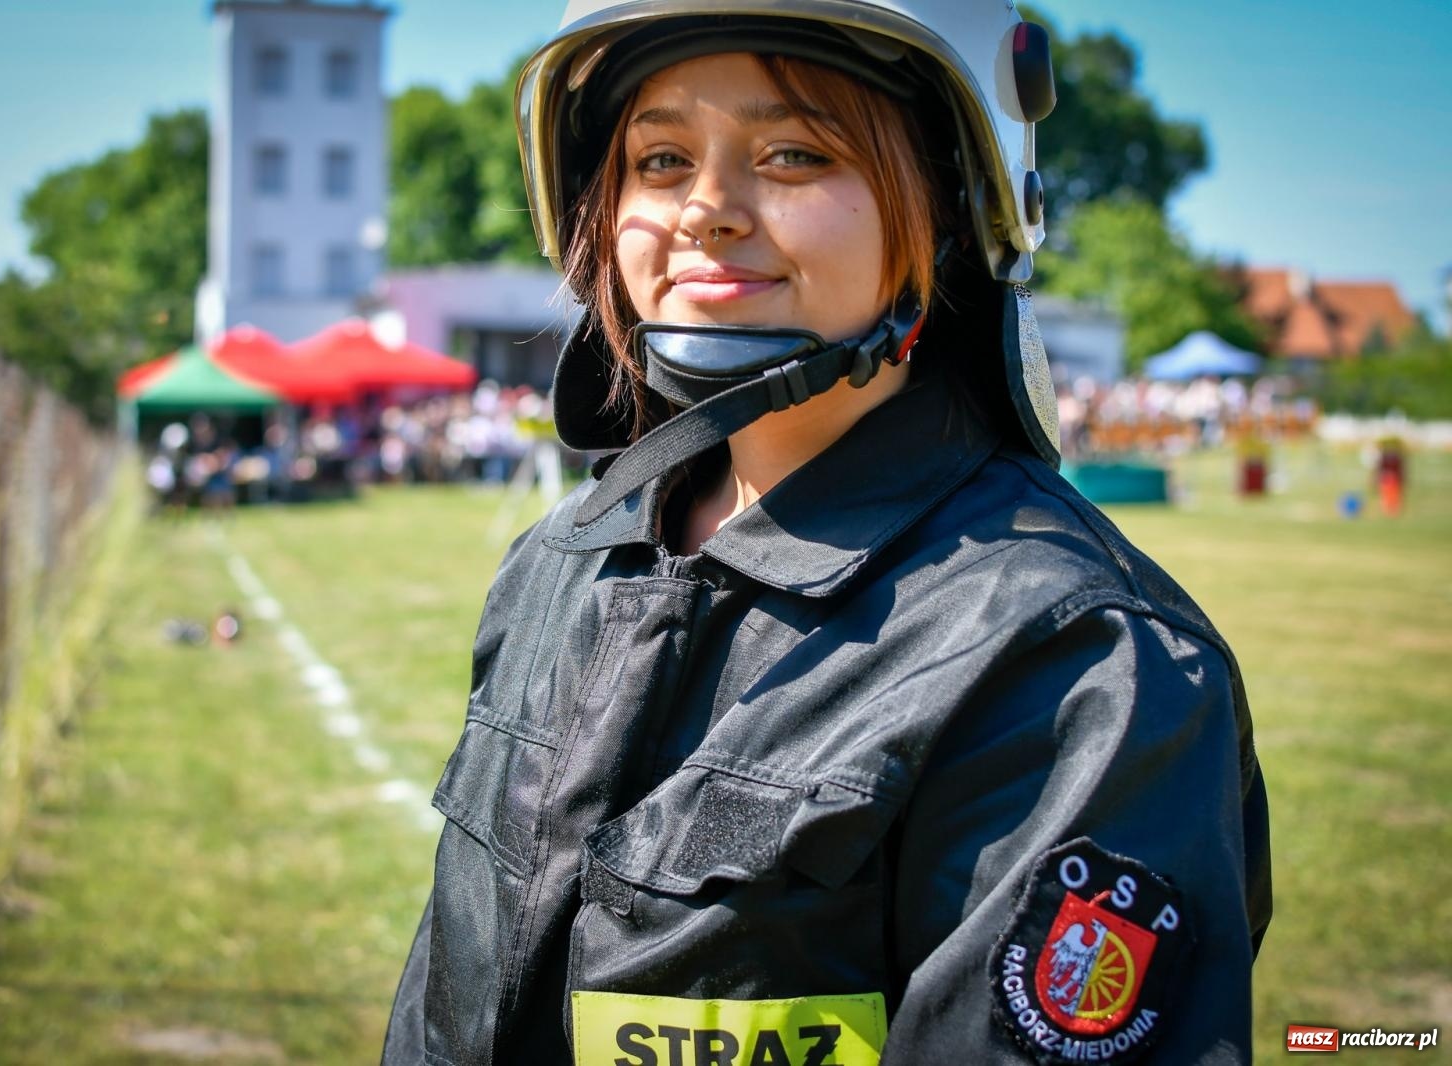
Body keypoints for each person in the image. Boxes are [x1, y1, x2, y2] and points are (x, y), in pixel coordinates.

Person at [383, 2, 1271, 1063]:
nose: (704, 210)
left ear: (952, 203)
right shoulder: (560, 561)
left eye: (794, 152)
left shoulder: (1078, 662)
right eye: (660, 158)